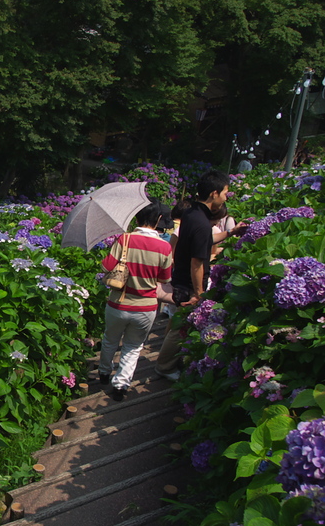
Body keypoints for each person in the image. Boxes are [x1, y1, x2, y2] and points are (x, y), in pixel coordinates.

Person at [155, 170, 246, 380]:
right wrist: (199, 294)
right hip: (189, 283)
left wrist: (230, 233)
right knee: (180, 328)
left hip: (180, 278)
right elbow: (197, 262)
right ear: (214, 194)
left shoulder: (191, 212)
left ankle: (166, 360)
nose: (225, 197)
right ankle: (165, 366)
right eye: (225, 193)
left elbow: (202, 242)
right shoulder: (203, 224)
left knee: (176, 322)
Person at [98, 202, 173, 401]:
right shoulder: (165, 247)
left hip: (118, 304)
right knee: (133, 346)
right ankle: (121, 386)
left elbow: (106, 266)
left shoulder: (125, 239)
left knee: (110, 340)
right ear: (158, 220)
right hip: (145, 307)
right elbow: (164, 280)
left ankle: (104, 373)